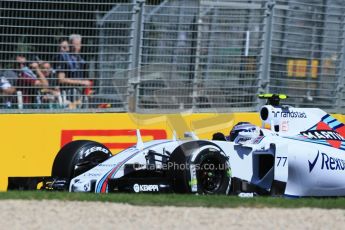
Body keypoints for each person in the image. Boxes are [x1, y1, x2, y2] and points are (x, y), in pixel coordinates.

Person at [55, 34, 91, 108]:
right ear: (70, 44)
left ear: (80, 45)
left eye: (77, 44)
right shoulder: (63, 57)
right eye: (73, 44)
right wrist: (80, 82)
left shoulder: (82, 59)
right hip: (69, 93)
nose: (75, 47)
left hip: (82, 94)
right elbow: (61, 80)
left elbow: (86, 79)